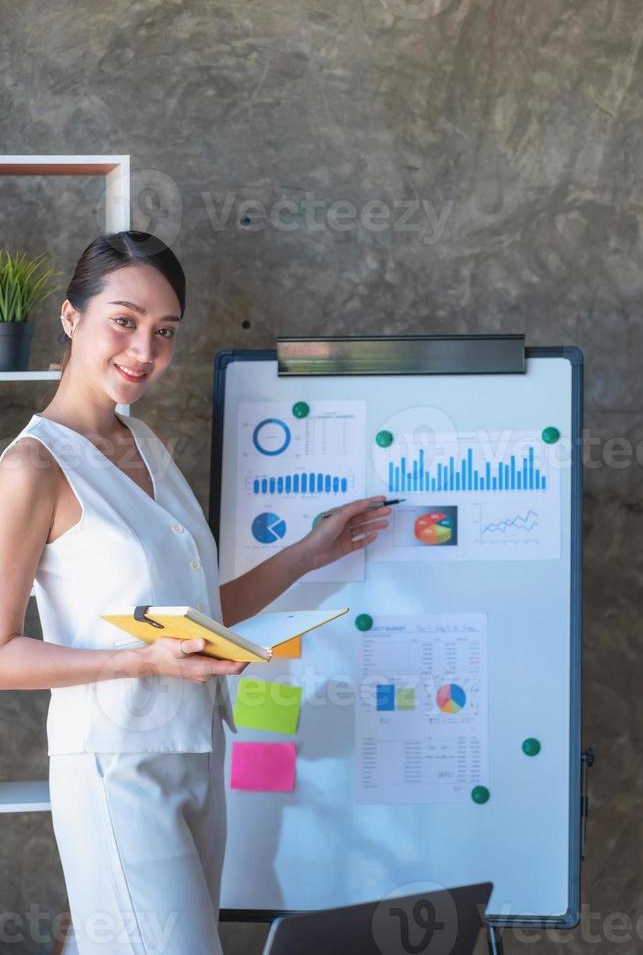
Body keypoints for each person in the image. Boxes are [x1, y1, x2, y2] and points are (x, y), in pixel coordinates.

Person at [0, 230, 392, 955]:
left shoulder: (149, 446)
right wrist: (143, 663)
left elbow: (199, 615)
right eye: (124, 320)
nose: (144, 351)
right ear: (69, 317)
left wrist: (311, 552)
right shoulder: (32, 468)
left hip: (197, 754)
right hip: (114, 766)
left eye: (165, 331)